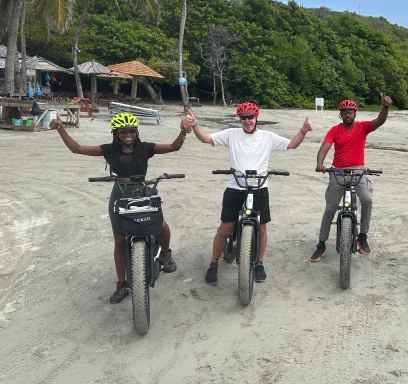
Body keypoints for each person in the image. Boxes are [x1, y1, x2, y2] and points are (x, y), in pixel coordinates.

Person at [50, 112, 190, 303]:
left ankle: (165, 255)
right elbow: (77, 148)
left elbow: (174, 147)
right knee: (119, 240)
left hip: (143, 191)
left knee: (162, 227)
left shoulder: (145, 148)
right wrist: (60, 128)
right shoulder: (109, 150)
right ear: (116, 133)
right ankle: (121, 284)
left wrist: (183, 132)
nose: (128, 135)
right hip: (120, 194)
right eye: (123, 132)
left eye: (131, 131)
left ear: (136, 132)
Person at [183, 103, 312, 285]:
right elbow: (206, 138)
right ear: (240, 119)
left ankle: (259, 263)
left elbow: (291, 144)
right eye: (243, 118)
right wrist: (195, 125)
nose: (247, 121)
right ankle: (213, 263)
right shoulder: (232, 134)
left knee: (261, 227)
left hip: (259, 187)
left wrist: (303, 131)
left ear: (256, 117)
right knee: (225, 227)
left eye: (250, 117)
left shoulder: (267, 137)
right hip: (235, 187)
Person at [309, 93, 393, 262]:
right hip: (338, 170)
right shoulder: (334, 130)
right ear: (341, 114)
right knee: (330, 208)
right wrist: (320, 163)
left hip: (358, 170)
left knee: (367, 200)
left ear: (355, 114)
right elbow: (325, 146)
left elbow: (379, 121)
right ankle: (321, 243)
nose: (348, 114)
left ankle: (362, 237)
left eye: (351, 112)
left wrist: (385, 107)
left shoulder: (362, 127)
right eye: (345, 112)